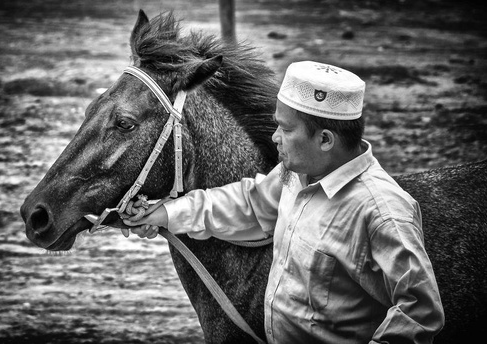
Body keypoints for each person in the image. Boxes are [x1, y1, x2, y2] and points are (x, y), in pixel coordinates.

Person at [122, 61, 445, 343]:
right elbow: (250, 203)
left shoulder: (382, 212)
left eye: (286, 129)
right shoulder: (298, 174)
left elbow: (418, 311)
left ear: (325, 139)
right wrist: (166, 213)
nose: (275, 136)